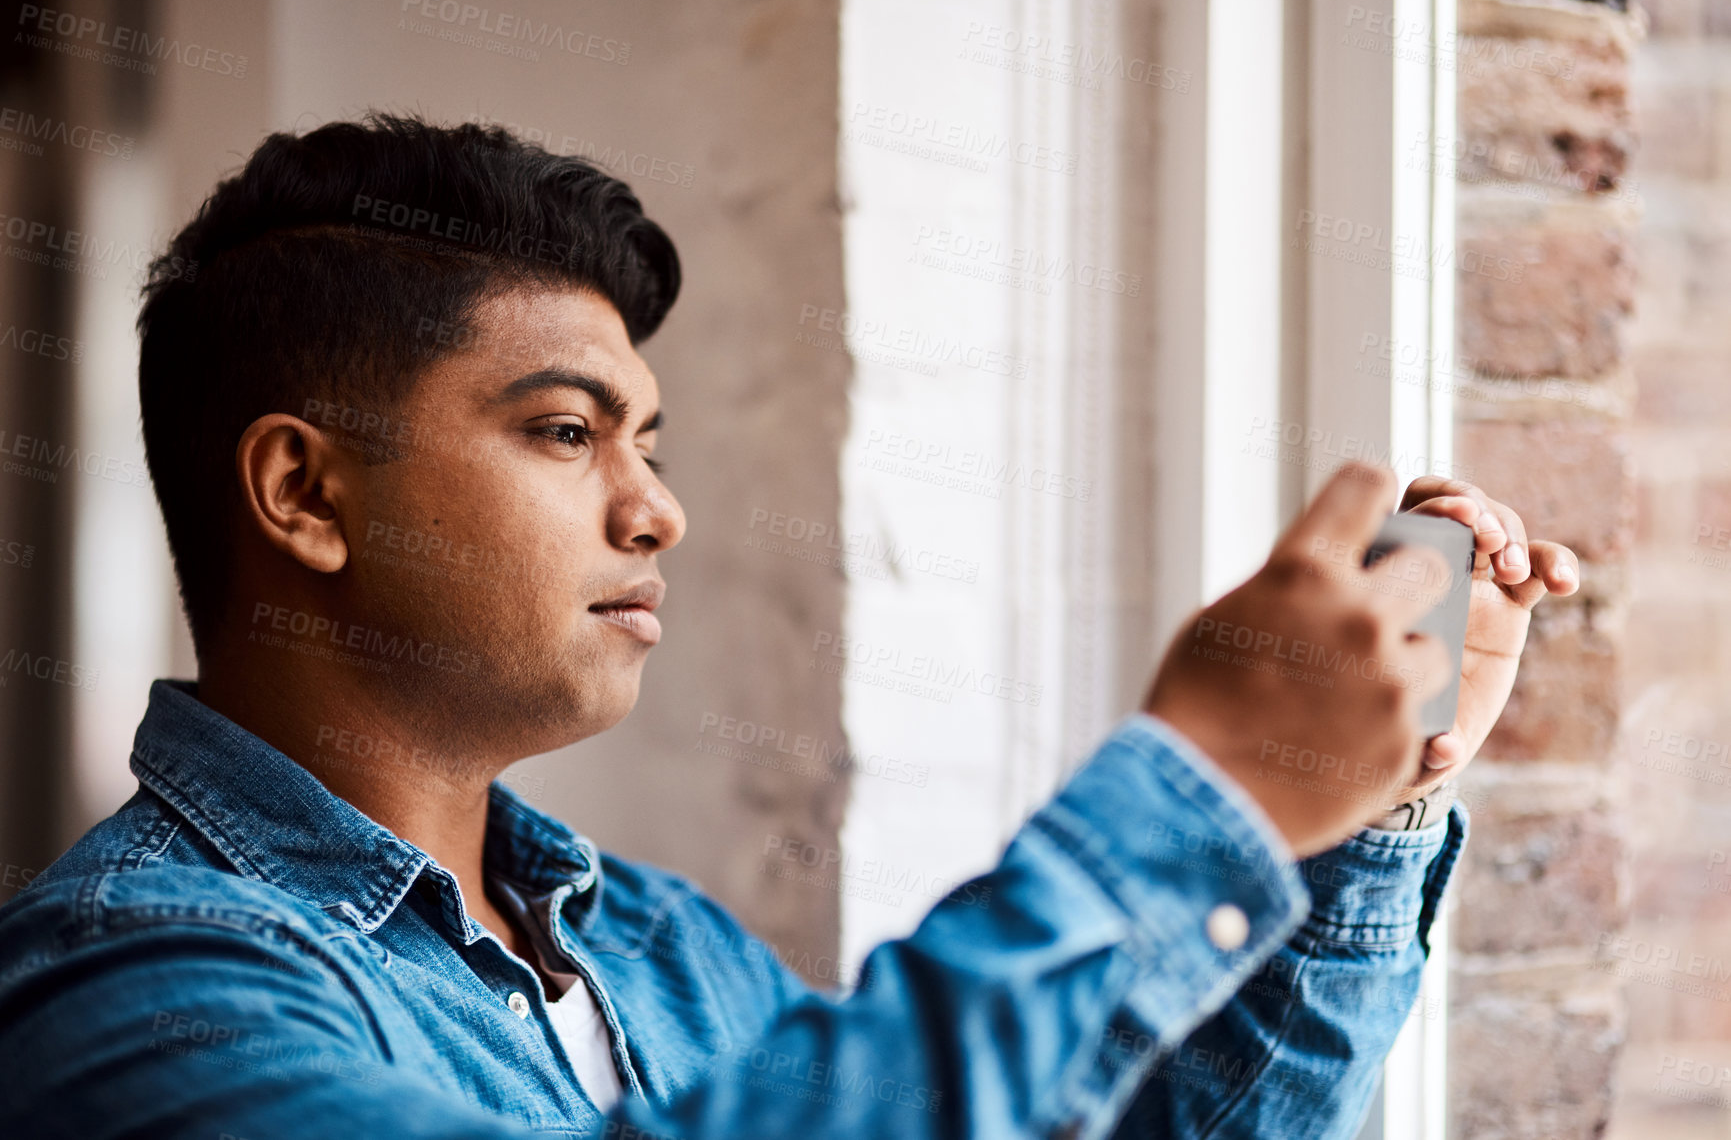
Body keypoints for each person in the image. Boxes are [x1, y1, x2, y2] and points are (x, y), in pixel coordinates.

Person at [0, 114, 1580, 1139]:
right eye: (566, 432)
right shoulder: (136, 983)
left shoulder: (664, 951)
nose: (655, 511)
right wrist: (1192, 791)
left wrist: (1373, 795)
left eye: (653, 445)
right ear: (303, 492)